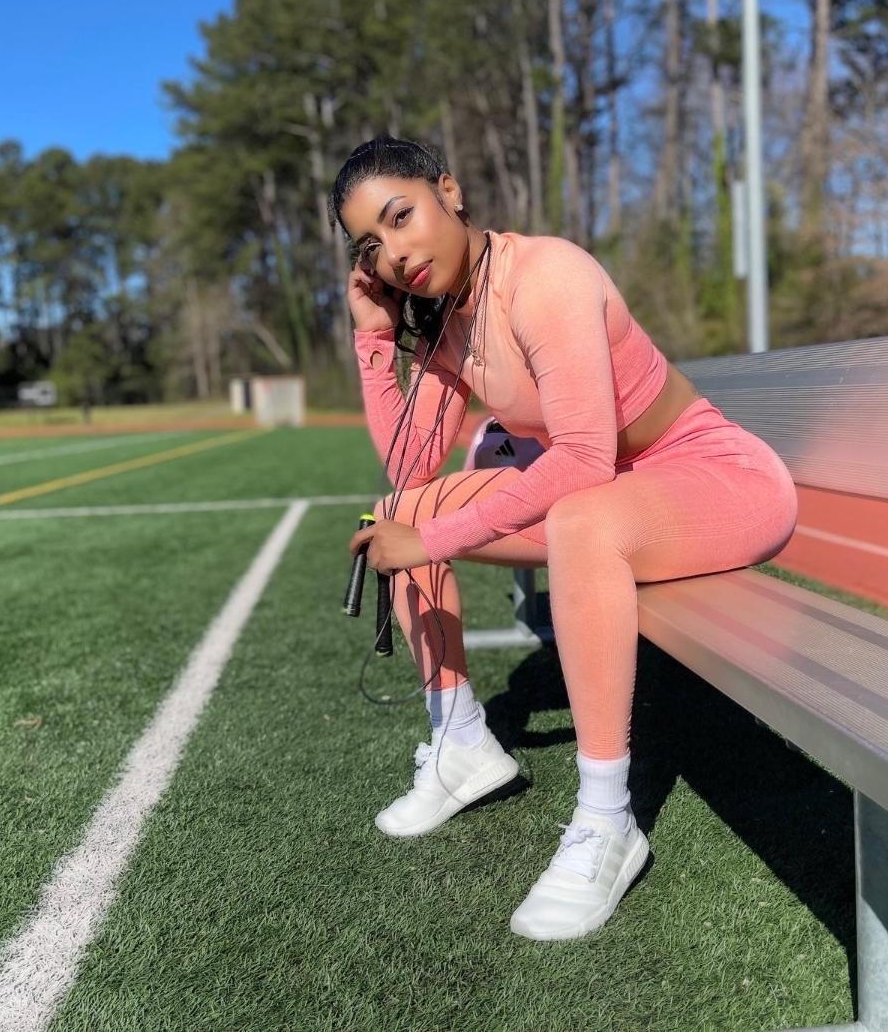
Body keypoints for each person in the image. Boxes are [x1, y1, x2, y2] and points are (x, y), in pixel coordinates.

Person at [330, 135, 798, 941]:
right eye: (371, 245)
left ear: (450, 191)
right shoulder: (451, 325)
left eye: (401, 216)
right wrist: (374, 342)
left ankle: (608, 819)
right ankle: (461, 740)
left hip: (717, 478)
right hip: (616, 497)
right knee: (392, 511)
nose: (394, 253)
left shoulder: (545, 276)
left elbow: (582, 458)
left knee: (570, 516)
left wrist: (434, 540)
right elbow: (409, 467)